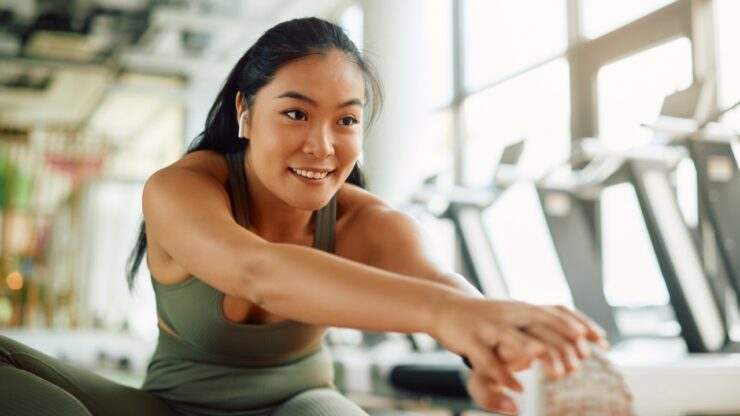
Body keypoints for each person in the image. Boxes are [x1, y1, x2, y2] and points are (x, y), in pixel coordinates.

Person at [0, 17, 607, 416]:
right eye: (296, 114)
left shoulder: (368, 221)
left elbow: (441, 284)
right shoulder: (180, 189)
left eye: (345, 120)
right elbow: (258, 271)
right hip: (166, 408)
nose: (323, 146)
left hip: (301, 403)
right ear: (245, 112)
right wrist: (449, 315)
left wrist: (494, 344)